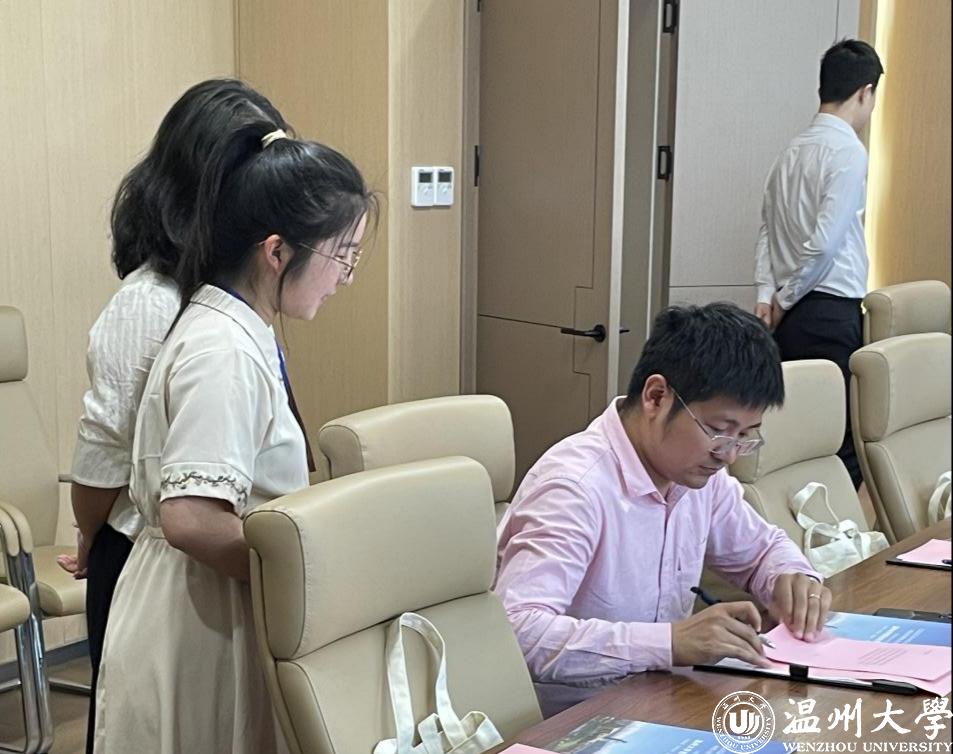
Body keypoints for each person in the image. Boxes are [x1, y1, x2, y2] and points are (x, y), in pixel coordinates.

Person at [93, 113, 375, 753]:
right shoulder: (223, 348)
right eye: (342, 254)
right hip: (200, 611)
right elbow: (192, 518)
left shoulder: (236, 326)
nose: (346, 277)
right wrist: (310, 572)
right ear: (277, 252)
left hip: (211, 599)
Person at [58, 78, 289, 754]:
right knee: (147, 726)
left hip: (216, 556)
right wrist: (88, 535)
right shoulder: (150, 302)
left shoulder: (232, 295)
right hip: (144, 554)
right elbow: (104, 452)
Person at [494, 303, 829, 717]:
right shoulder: (575, 487)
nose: (728, 455)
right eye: (718, 431)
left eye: (746, 436)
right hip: (572, 722)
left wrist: (790, 578)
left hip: (665, 701)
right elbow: (518, 633)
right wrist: (669, 643)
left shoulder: (695, 475)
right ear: (656, 397)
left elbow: (761, 550)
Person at [754, 39, 883, 489]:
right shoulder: (848, 151)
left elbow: (767, 231)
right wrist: (784, 299)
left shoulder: (790, 151)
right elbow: (824, 246)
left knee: (793, 440)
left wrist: (766, 298)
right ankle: (835, 531)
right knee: (841, 442)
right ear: (865, 92)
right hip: (828, 314)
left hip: (788, 320)